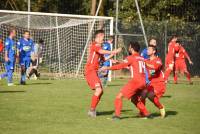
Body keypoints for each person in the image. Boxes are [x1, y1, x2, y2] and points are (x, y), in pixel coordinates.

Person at [102, 42, 150, 120]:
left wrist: (107, 68)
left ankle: (117, 116)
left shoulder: (131, 57)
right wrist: (118, 61)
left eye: (129, 47)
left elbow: (120, 66)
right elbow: (134, 66)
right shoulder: (142, 58)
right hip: (143, 82)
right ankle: (147, 114)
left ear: (132, 49)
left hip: (136, 81)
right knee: (134, 99)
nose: (129, 48)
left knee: (119, 97)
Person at [85, 30, 121, 117]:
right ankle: (92, 110)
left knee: (100, 92)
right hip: (90, 71)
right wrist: (113, 52)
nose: (103, 39)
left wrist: (112, 59)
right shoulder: (95, 45)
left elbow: (103, 59)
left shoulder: (99, 46)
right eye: (102, 37)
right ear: (98, 36)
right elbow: (101, 52)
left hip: (94, 71)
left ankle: (92, 110)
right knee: (99, 90)